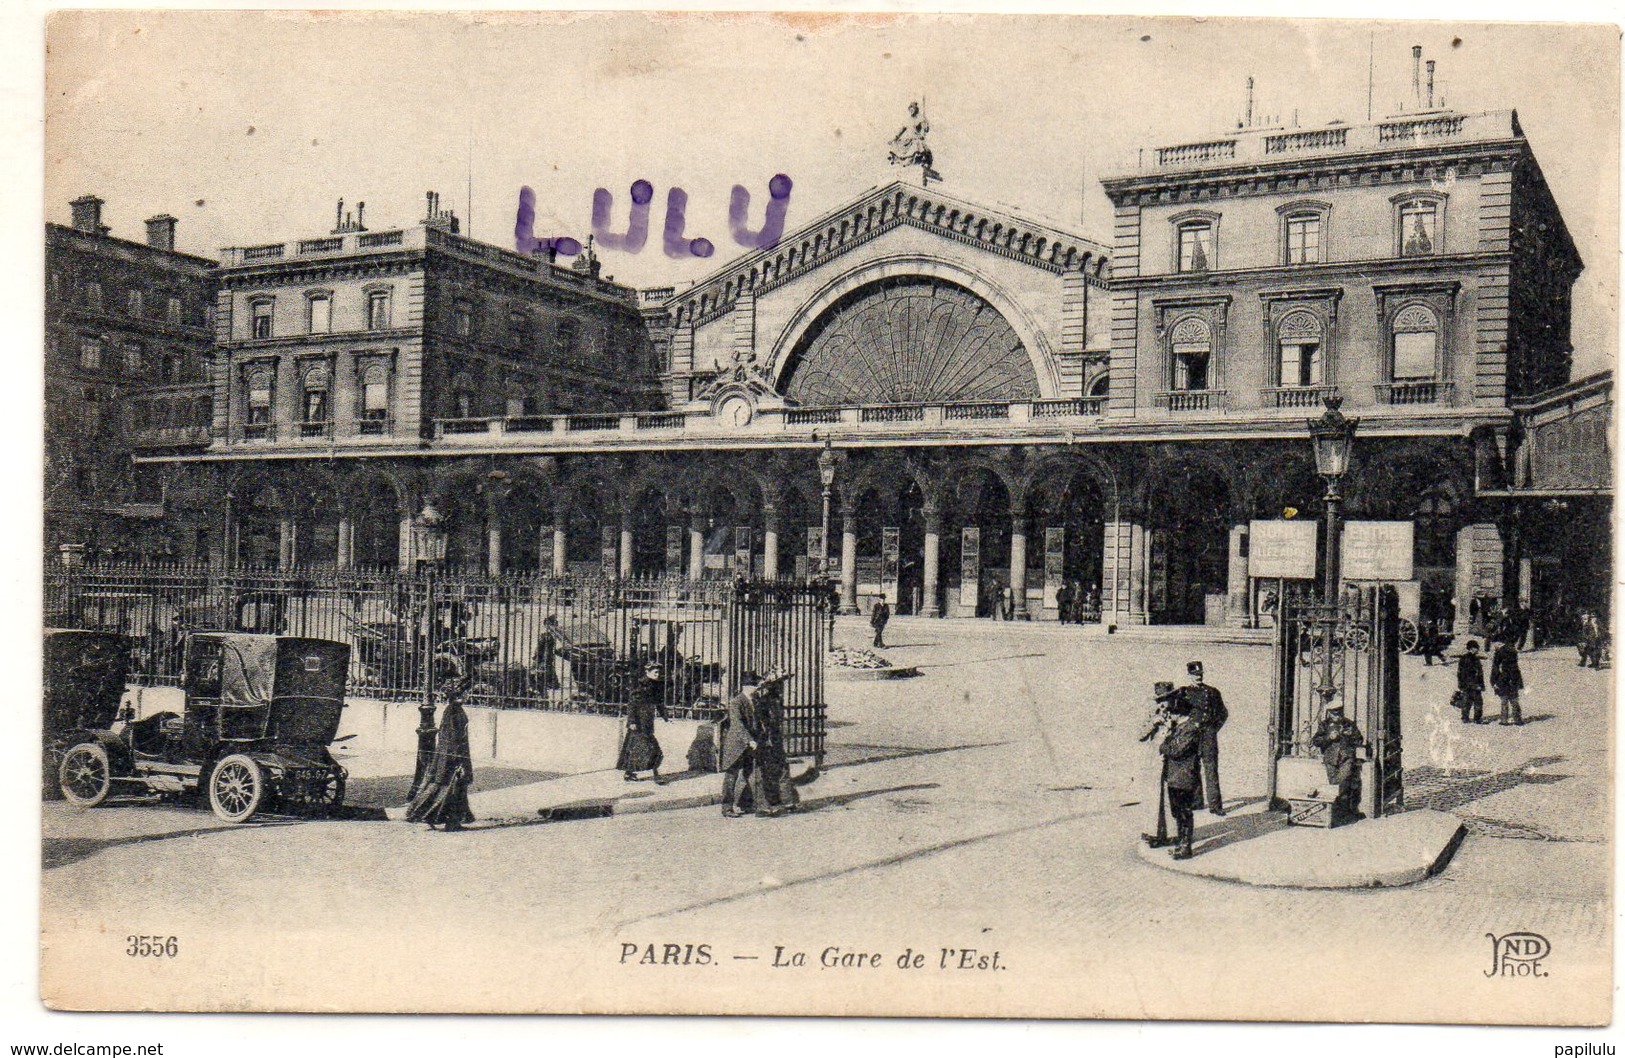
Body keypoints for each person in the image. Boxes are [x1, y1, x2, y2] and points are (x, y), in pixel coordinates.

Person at [405, 671, 475, 832]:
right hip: (453, 757)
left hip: (451, 756)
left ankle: (449, 821)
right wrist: (458, 761)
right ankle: (435, 817)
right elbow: (452, 739)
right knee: (450, 788)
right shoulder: (454, 712)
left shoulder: (453, 711)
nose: (468, 695)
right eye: (466, 692)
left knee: (453, 789)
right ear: (459, 693)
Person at [1157, 691, 1204, 860]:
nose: (1170, 716)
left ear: (1180, 713)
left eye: (1173, 713)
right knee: (1177, 812)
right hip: (1176, 778)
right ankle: (1181, 844)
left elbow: (1175, 750)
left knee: (1184, 813)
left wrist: (1164, 746)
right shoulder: (1181, 728)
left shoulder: (1189, 729)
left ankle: (1185, 848)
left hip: (1184, 778)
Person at [1178, 660, 1227, 816]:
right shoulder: (1183, 693)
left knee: (1211, 770)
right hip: (1191, 735)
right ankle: (1196, 802)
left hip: (1208, 736)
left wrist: (1213, 729)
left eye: (1200, 674)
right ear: (1189, 675)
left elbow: (1223, 713)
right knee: (1192, 768)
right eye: (1194, 675)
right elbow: (1178, 714)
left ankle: (1215, 805)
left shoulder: (1212, 692)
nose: (1198, 677)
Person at [1139, 681, 1183, 849]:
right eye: (1159, 700)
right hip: (1154, 762)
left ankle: (1171, 834)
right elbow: (1140, 735)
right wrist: (1153, 724)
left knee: (1170, 797)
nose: (1163, 704)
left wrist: (1172, 728)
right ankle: (1154, 833)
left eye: (1166, 700)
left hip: (1171, 761)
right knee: (1154, 798)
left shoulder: (1177, 715)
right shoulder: (1152, 714)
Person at [1310, 703, 1365, 820]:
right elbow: (1315, 741)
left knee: (1343, 784)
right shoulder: (1324, 725)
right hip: (1331, 760)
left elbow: (1359, 740)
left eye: (1339, 713)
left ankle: (1345, 813)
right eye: (1334, 713)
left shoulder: (1349, 723)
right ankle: (1337, 813)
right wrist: (1329, 737)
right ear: (1329, 713)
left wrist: (1352, 735)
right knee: (1334, 785)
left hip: (1346, 758)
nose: (1337, 716)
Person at [617, 662, 670, 782]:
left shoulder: (655, 685)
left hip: (647, 722)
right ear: (647, 672)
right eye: (655, 672)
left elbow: (659, 702)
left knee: (635, 749)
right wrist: (631, 722)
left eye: (659, 672)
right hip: (638, 723)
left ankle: (628, 773)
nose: (658, 674)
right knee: (654, 750)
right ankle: (656, 776)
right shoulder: (640, 685)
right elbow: (632, 704)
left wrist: (665, 716)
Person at [1490, 639, 1524, 726]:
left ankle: (1504, 720)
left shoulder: (1499, 653)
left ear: (1499, 643)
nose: (1494, 646)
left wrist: (1493, 681)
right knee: (1514, 700)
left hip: (1503, 679)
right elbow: (1516, 668)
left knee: (1504, 700)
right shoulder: (1513, 651)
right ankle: (1518, 719)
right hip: (1514, 679)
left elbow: (1495, 668)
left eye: (1495, 644)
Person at [1456, 640, 1485, 724]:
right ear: (1472, 649)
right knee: (1478, 702)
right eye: (1476, 648)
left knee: (1466, 702)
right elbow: (1478, 673)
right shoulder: (1474, 659)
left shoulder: (1463, 658)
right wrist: (1480, 685)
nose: (1478, 650)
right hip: (1473, 684)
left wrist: (1461, 684)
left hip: (1466, 684)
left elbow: (1460, 673)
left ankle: (1465, 718)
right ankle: (1477, 718)